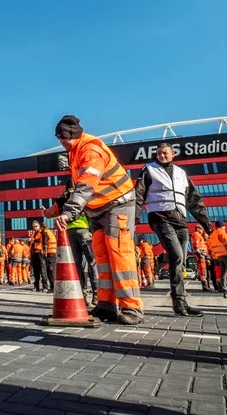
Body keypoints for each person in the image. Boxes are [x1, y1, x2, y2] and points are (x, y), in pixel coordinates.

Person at [52, 115, 144, 325]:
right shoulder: (75, 151)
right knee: (102, 257)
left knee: (120, 254)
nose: (61, 143)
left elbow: (86, 186)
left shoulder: (91, 151)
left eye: (63, 138)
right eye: (59, 139)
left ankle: (132, 307)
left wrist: (68, 213)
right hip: (99, 210)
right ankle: (106, 305)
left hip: (117, 204)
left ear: (73, 135)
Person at [134, 143, 211, 315]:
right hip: (160, 218)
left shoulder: (181, 173)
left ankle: (181, 301)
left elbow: (194, 200)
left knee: (181, 260)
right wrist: (134, 219)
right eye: (159, 153)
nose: (161, 156)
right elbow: (138, 195)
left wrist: (206, 224)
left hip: (180, 220)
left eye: (165, 153)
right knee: (176, 255)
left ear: (173, 154)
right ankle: (178, 302)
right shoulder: (149, 170)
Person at [44, 180, 99, 306]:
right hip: (85, 231)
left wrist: (44, 212)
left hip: (69, 232)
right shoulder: (83, 195)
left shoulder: (62, 198)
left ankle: (82, 296)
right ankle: (97, 295)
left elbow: (50, 212)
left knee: (77, 266)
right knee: (93, 262)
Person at [208, 221, 227, 299]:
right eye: (224, 226)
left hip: (219, 255)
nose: (225, 228)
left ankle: (225, 292)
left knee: (222, 274)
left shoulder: (213, 234)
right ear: (222, 226)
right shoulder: (222, 232)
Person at [30, 219, 50, 292]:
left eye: (36, 226)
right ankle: (37, 286)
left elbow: (45, 243)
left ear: (39, 225)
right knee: (36, 271)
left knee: (43, 270)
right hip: (34, 253)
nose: (34, 228)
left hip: (40, 253)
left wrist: (45, 252)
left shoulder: (42, 233)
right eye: (33, 227)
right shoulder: (34, 234)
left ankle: (45, 287)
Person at [191, 225, 211, 291]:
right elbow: (195, 245)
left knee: (203, 269)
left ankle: (206, 286)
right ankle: (205, 286)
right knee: (202, 269)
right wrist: (199, 254)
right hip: (200, 254)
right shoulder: (196, 234)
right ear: (198, 229)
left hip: (201, 254)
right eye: (202, 229)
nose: (202, 231)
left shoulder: (198, 235)